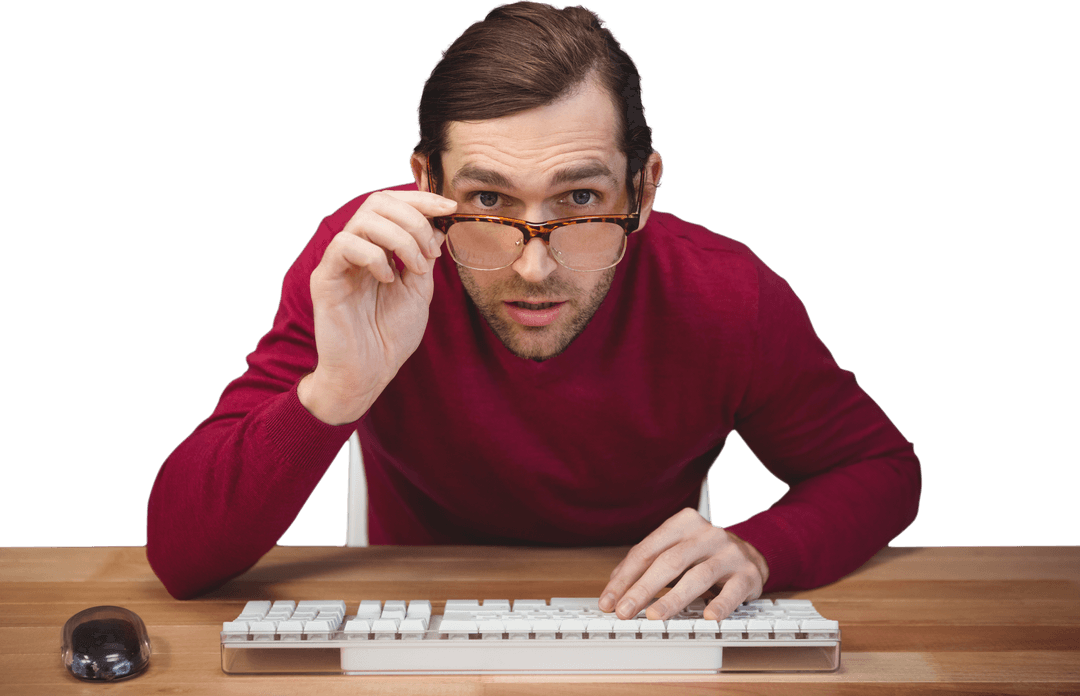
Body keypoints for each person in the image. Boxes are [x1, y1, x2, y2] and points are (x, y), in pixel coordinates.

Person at [147, 0, 922, 621]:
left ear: (645, 191)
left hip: (644, 625)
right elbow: (180, 555)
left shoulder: (725, 293)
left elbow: (880, 468)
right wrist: (335, 390)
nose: (534, 265)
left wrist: (761, 550)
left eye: (581, 199)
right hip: (419, 626)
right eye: (488, 200)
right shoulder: (366, 266)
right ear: (424, 180)